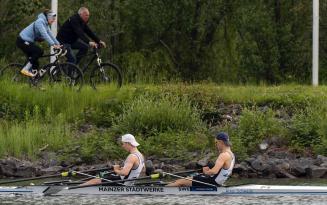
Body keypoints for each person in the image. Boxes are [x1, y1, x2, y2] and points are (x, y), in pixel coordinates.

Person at [167, 132, 235, 187]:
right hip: (217, 182)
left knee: (181, 182)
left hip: (212, 182)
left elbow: (214, 171)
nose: (215, 145)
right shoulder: (232, 155)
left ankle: (161, 192)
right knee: (187, 179)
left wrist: (206, 172)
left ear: (221, 142)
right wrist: (209, 171)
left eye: (216, 142)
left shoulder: (223, 155)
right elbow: (229, 173)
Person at [17, 10, 61, 77]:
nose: (54, 20)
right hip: (22, 41)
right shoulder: (39, 22)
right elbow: (45, 35)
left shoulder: (45, 24)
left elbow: (51, 35)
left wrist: (59, 44)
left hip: (28, 42)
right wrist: (53, 45)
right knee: (39, 51)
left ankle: (34, 81)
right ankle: (25, 69)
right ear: (48, 17)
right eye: (53, 19)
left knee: (36, 63)